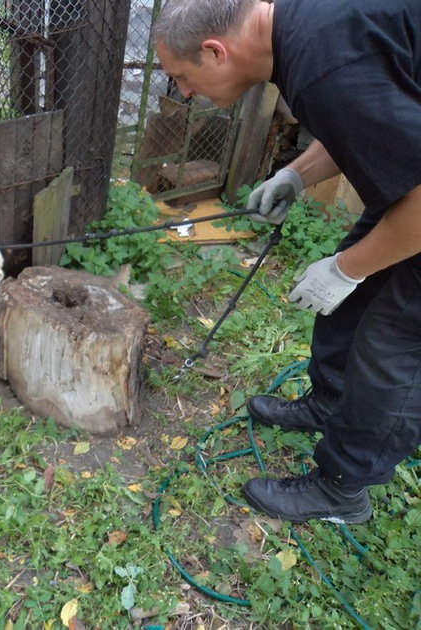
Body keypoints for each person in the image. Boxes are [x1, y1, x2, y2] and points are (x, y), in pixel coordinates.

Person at [152, 0, 421, 524]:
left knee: (396, 346)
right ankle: (331, 402)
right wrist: (296, 175)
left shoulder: (324, 63)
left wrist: (346, 268)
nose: (182, 92)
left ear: (215, 51)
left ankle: (344, 487)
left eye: (181, 77)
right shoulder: (301, 30)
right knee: (352, 301)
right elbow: (368, 124)